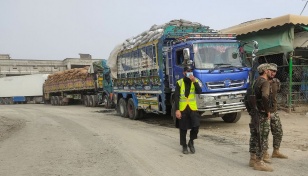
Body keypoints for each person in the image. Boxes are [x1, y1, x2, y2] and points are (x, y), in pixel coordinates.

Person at [248, 63, 273, 172]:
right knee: (261, 137)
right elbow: (264, 96)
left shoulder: (254, 82)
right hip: (261, 113)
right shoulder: (265, 82)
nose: (271, 72)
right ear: (265, 71)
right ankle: (259, 162)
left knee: (254, 135)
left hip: (254, 113)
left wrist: (251, 111)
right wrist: (267, 111)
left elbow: (246, 97)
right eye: (269, 70)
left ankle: (252, 159)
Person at [263, 63, 288, 163]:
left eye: (275, 71)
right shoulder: (261, 82)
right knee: (264, 134)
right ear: (267, 70)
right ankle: (264, 153)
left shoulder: (276, 82)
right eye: (272, 71)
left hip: (273, 111)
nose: (273, 73)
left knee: (278, 131)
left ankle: (276, 151)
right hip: (264, 112)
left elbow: (276, 94)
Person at [174, 65, 202, 154]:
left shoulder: (195, 81)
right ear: (184, 73)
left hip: (192, 108)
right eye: (188, 71)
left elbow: (200, 92)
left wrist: (194, 82)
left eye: (191, 71)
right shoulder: (179, 83)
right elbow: (177, 97)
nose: (189, 72)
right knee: (183, 128)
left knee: (196, 126)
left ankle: (191, 142)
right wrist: (177, 110)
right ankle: (184, 146)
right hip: (183, 108)